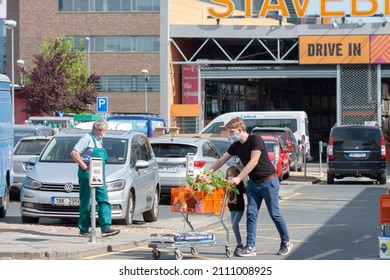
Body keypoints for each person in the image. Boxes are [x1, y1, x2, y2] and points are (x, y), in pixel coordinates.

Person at [209, 117, 293, 257]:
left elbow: (254, 161)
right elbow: (222, 159)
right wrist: (206, 173)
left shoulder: (256, 140)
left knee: (274, 213)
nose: (230, 135)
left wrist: (238, 177)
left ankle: (286, 241)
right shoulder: (236, 145)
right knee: (251, 214)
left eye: (231, 131)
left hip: (269, 181)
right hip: (254, 184)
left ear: (240, 130)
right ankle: (250, 246)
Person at [70, 120, 120, 238]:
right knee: (86, 201)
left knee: (103, 198)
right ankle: (83, 229)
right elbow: (74, 153)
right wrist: (85, 167)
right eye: (105, 130)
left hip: (99, 173)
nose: (106, 132)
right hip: (87, 172)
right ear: (98, 130)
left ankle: (105, 228)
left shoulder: (99, 140)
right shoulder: (86, 138)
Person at [226, 165, 245, 256]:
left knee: (234, 226)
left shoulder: (239, 184)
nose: (229, 178)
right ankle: (239, 243)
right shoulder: (228, 185)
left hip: (239, 208)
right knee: (234, 226)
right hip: (232, 208)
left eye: (231, 176)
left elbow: (241, 188)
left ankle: (239, 243)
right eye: (228, 176)